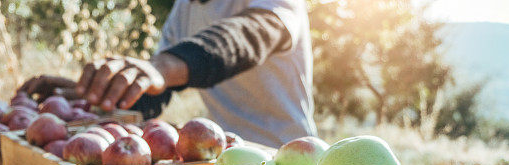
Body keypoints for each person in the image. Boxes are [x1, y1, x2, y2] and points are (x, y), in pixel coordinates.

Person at [20, 0, 316, 147]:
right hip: (230, 159)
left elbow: (253, 34)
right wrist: (90, 94)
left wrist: (161, 67)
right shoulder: (184, 9)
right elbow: (155, 91)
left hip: (291, 155)